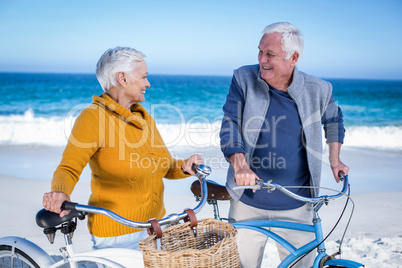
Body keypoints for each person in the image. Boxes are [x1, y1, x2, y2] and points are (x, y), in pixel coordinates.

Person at [43, 47, 203, 250]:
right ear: (122, 78)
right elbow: (69, 167)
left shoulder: (145, 118)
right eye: (144, 77)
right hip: (117, 235)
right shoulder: (93, 118)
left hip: (155, 228)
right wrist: (59, 192)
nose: (148, 83)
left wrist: (184, 166)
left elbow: (162, 165)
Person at [220, 22, 349, 267]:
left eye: (270, 54)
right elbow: (230, 124)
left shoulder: (319, 89)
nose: (261, 60)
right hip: (247, 202)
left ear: (294, 57)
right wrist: (240, 166)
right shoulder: (243, 78)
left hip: (297, 204)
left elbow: (334, 121)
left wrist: (335, 160)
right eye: (259, 51)